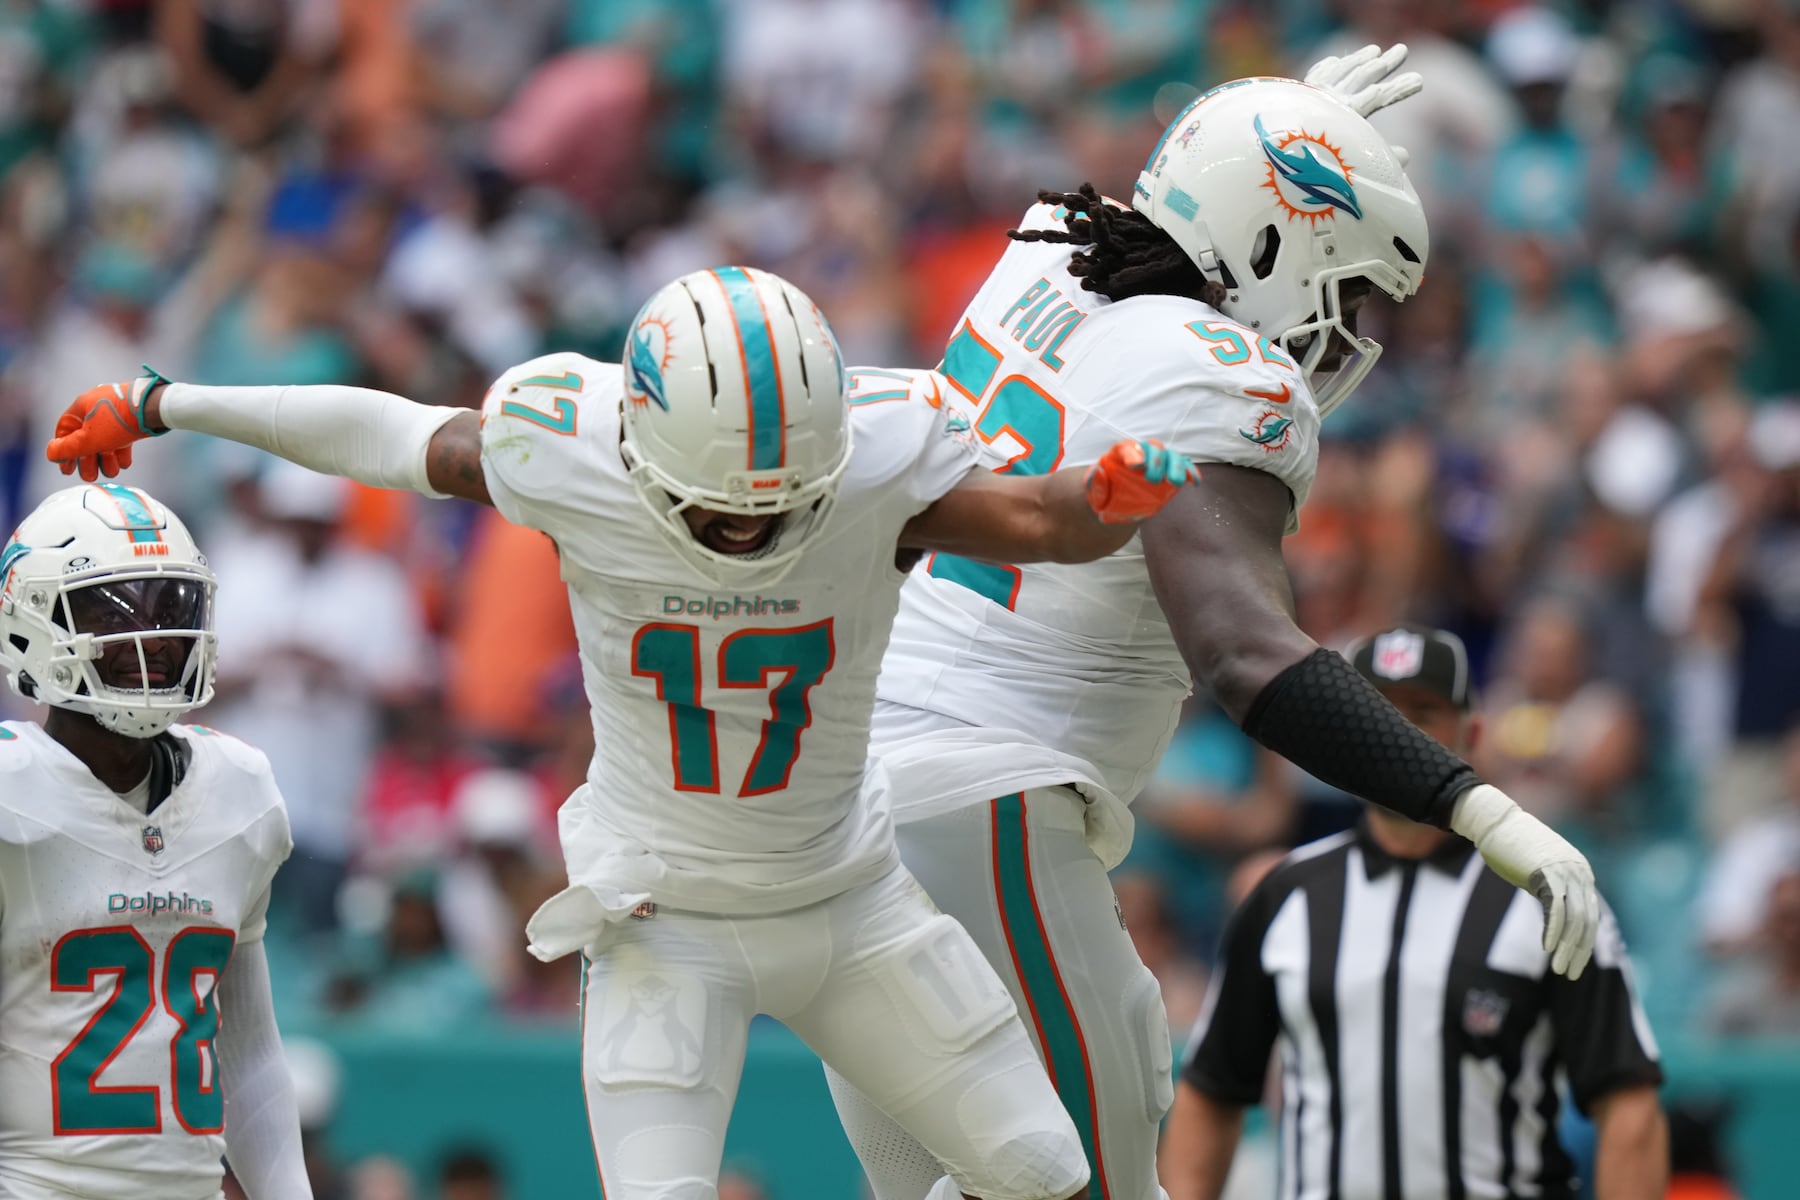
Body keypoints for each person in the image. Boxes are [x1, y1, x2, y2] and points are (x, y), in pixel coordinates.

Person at [45, 265, 1207, 1200]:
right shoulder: (573, 445)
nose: (747, 533)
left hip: (853, 895)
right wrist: (167, 402)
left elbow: (1032, 513)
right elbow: (391, 434)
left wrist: (1095, 504)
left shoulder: (878, 453)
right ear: (642, 447)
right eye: (716, 508)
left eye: (779, 506)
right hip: (665, 919)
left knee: (1048, 1175)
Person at [824, 57, 1600, 1200]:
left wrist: (1275, 131)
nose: (1342, 330)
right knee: (1092, 1176)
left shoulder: (1051, 247)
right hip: (980, 799)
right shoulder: (1218, 376)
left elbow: (1174, 220)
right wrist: (1475, 806)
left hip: (859, 798)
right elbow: (1244, 654)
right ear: (1278, 247)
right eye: (1346, 288)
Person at [1159, 625, 1667, 1200]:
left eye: (1423, 711)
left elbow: (1628, 1104)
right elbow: (1212, 1089)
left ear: (1472, 733)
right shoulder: (1285, 895)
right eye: (1374, 712)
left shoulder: (1543, 897)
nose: (1394, 734)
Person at [0, 483, 309, 1198]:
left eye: (173, 607)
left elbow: (250, 1056)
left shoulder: (240, 791)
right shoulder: (12, 796)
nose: (158, 636)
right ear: (35, 622)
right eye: (119, 608)